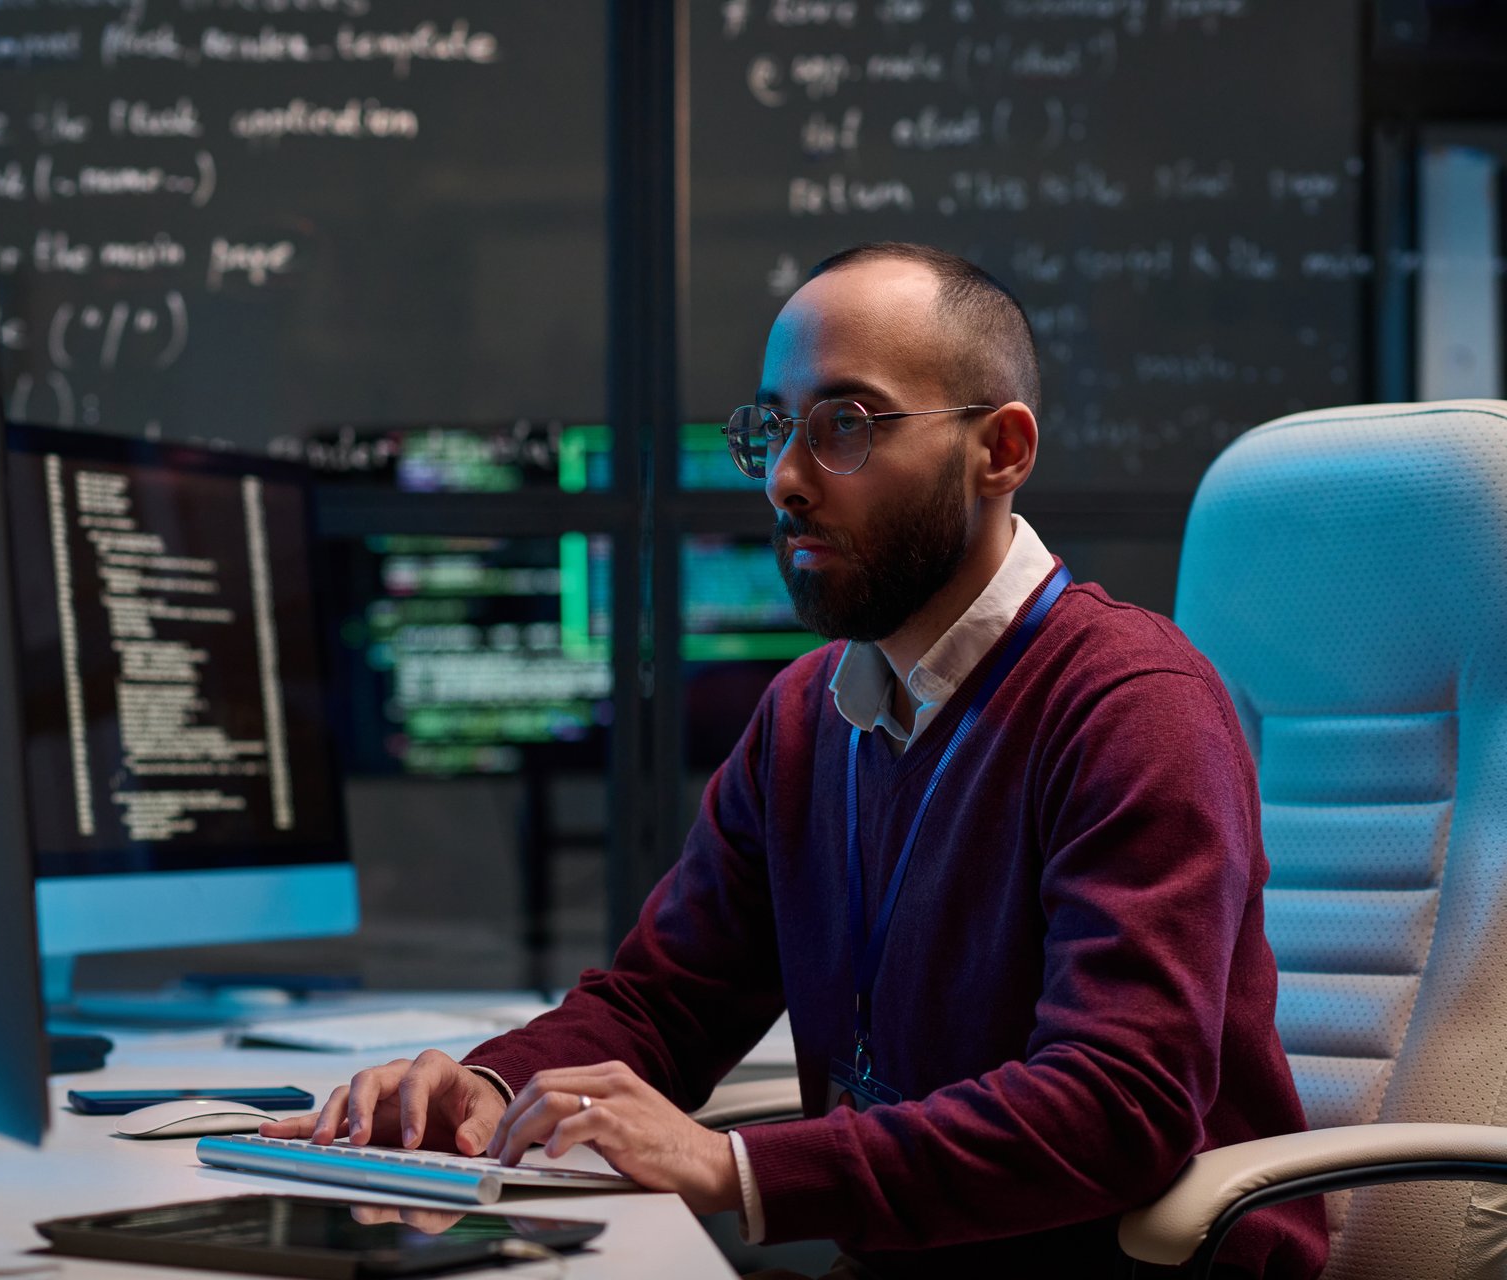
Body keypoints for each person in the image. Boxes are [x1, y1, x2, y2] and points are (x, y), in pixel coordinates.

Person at [261, 243, 1328, 1277]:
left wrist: (734, 1167)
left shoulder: (1132, 707)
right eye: (774, 428)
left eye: (844, 426)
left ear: (1000, 450)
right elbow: (663, 1004)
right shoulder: (805, 717)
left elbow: (1119, 1107)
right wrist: (491, 1085)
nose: (784, 480)